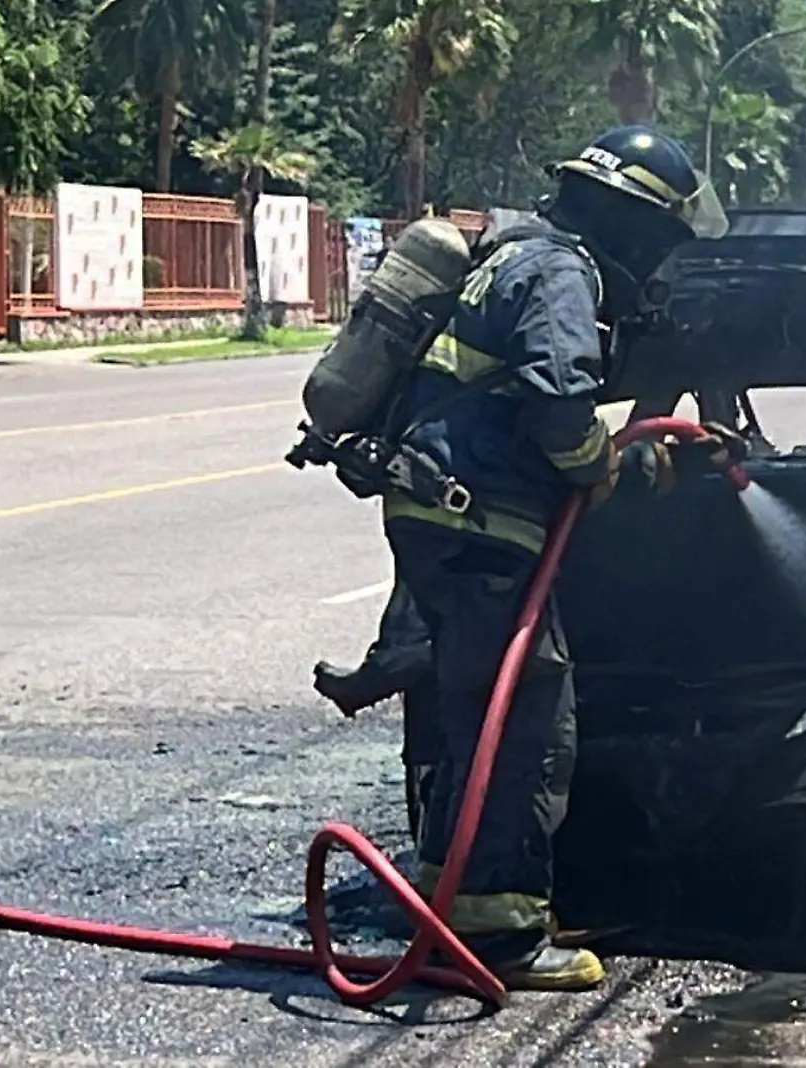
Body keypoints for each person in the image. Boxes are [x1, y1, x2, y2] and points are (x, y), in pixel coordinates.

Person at [304, 126, 729, 992]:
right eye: (661, 246)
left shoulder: (513, 256)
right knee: (528, 723)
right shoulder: (563, 273)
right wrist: (608, 465)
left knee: (472, 712)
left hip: (444, 509)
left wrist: (624, 461)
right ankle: (502, 933)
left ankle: (446, 890)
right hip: (481, 519)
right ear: (636, 224)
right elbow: (559, 404)